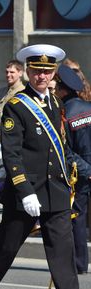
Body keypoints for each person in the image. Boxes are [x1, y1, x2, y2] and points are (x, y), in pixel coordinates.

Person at [0, 44, 91, 289]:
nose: (41, 77)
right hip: (26, 194)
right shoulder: (16, 106)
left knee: (63, 255)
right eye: (36, 71)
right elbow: (11, 154)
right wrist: (26, 191)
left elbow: (60, 148)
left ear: (54, 74)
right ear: (27, 72)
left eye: (47, 72)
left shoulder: (56, 105)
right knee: (5, 251)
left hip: (56, 192)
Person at [56, 64, 91, 275]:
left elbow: (66, 152)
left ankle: (80, 264)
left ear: (62, 89)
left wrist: (87, 170)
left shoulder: (64, 115)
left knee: (78, 218)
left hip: (81, 175)